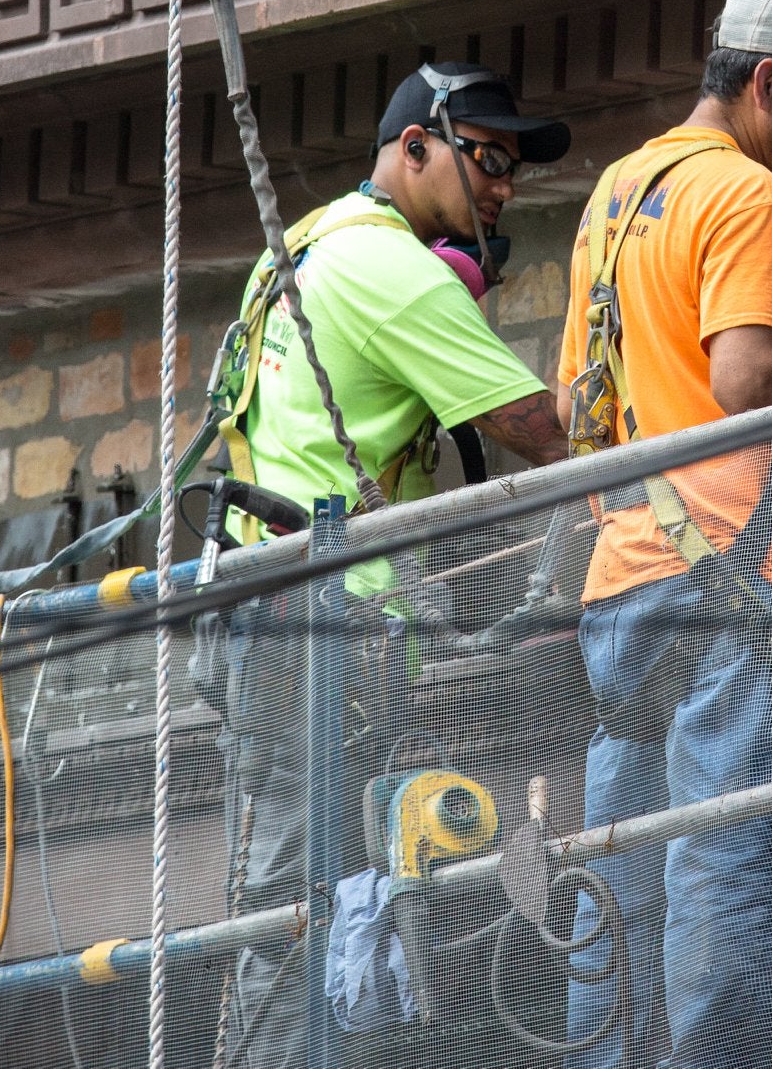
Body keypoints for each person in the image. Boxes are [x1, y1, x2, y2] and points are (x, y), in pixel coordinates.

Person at [554, 0, 772, 1068]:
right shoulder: (747, 196)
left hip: (626, 590)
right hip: (734, 590)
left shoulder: (617, 192)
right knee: (731, 870)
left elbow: (577, 410)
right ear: (765, 80)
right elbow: (747, 375)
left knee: (624, 879)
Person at [207, 63, 572, 1068]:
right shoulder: (391, 269)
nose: (502, 185)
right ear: (413, 149)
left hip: (279, 624)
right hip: (322, 638)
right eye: (486, 158)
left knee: (305, 896)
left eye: (510, 168)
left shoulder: (307, 245)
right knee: (303, 903)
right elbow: (537, 429)